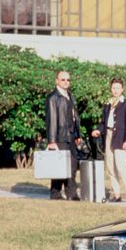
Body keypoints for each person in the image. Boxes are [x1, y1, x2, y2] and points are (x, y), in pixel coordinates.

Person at [92, 78, 126, 203]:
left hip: (121, 137)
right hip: (108, 135)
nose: (116, 90)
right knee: (110, 167)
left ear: (122, 89)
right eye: (113, 88)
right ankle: (116, 194)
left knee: (121, 165)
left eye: (118, 88)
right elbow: (104, 122)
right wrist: (98, 130)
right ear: (110, 89)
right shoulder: (108, 104)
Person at [45, 70, 81, 201]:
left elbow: (74, 117)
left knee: (72, 165)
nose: (66, 82)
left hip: (71, 136)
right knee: (58, 166)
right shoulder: (52, 97)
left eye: (68, 80)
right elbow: (52, 120)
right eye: (63, 79)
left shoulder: (70, 96)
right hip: (59, 137)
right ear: (57, 81)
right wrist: (52, 140)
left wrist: (78, 134)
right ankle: (55, 193)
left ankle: (71, 193)